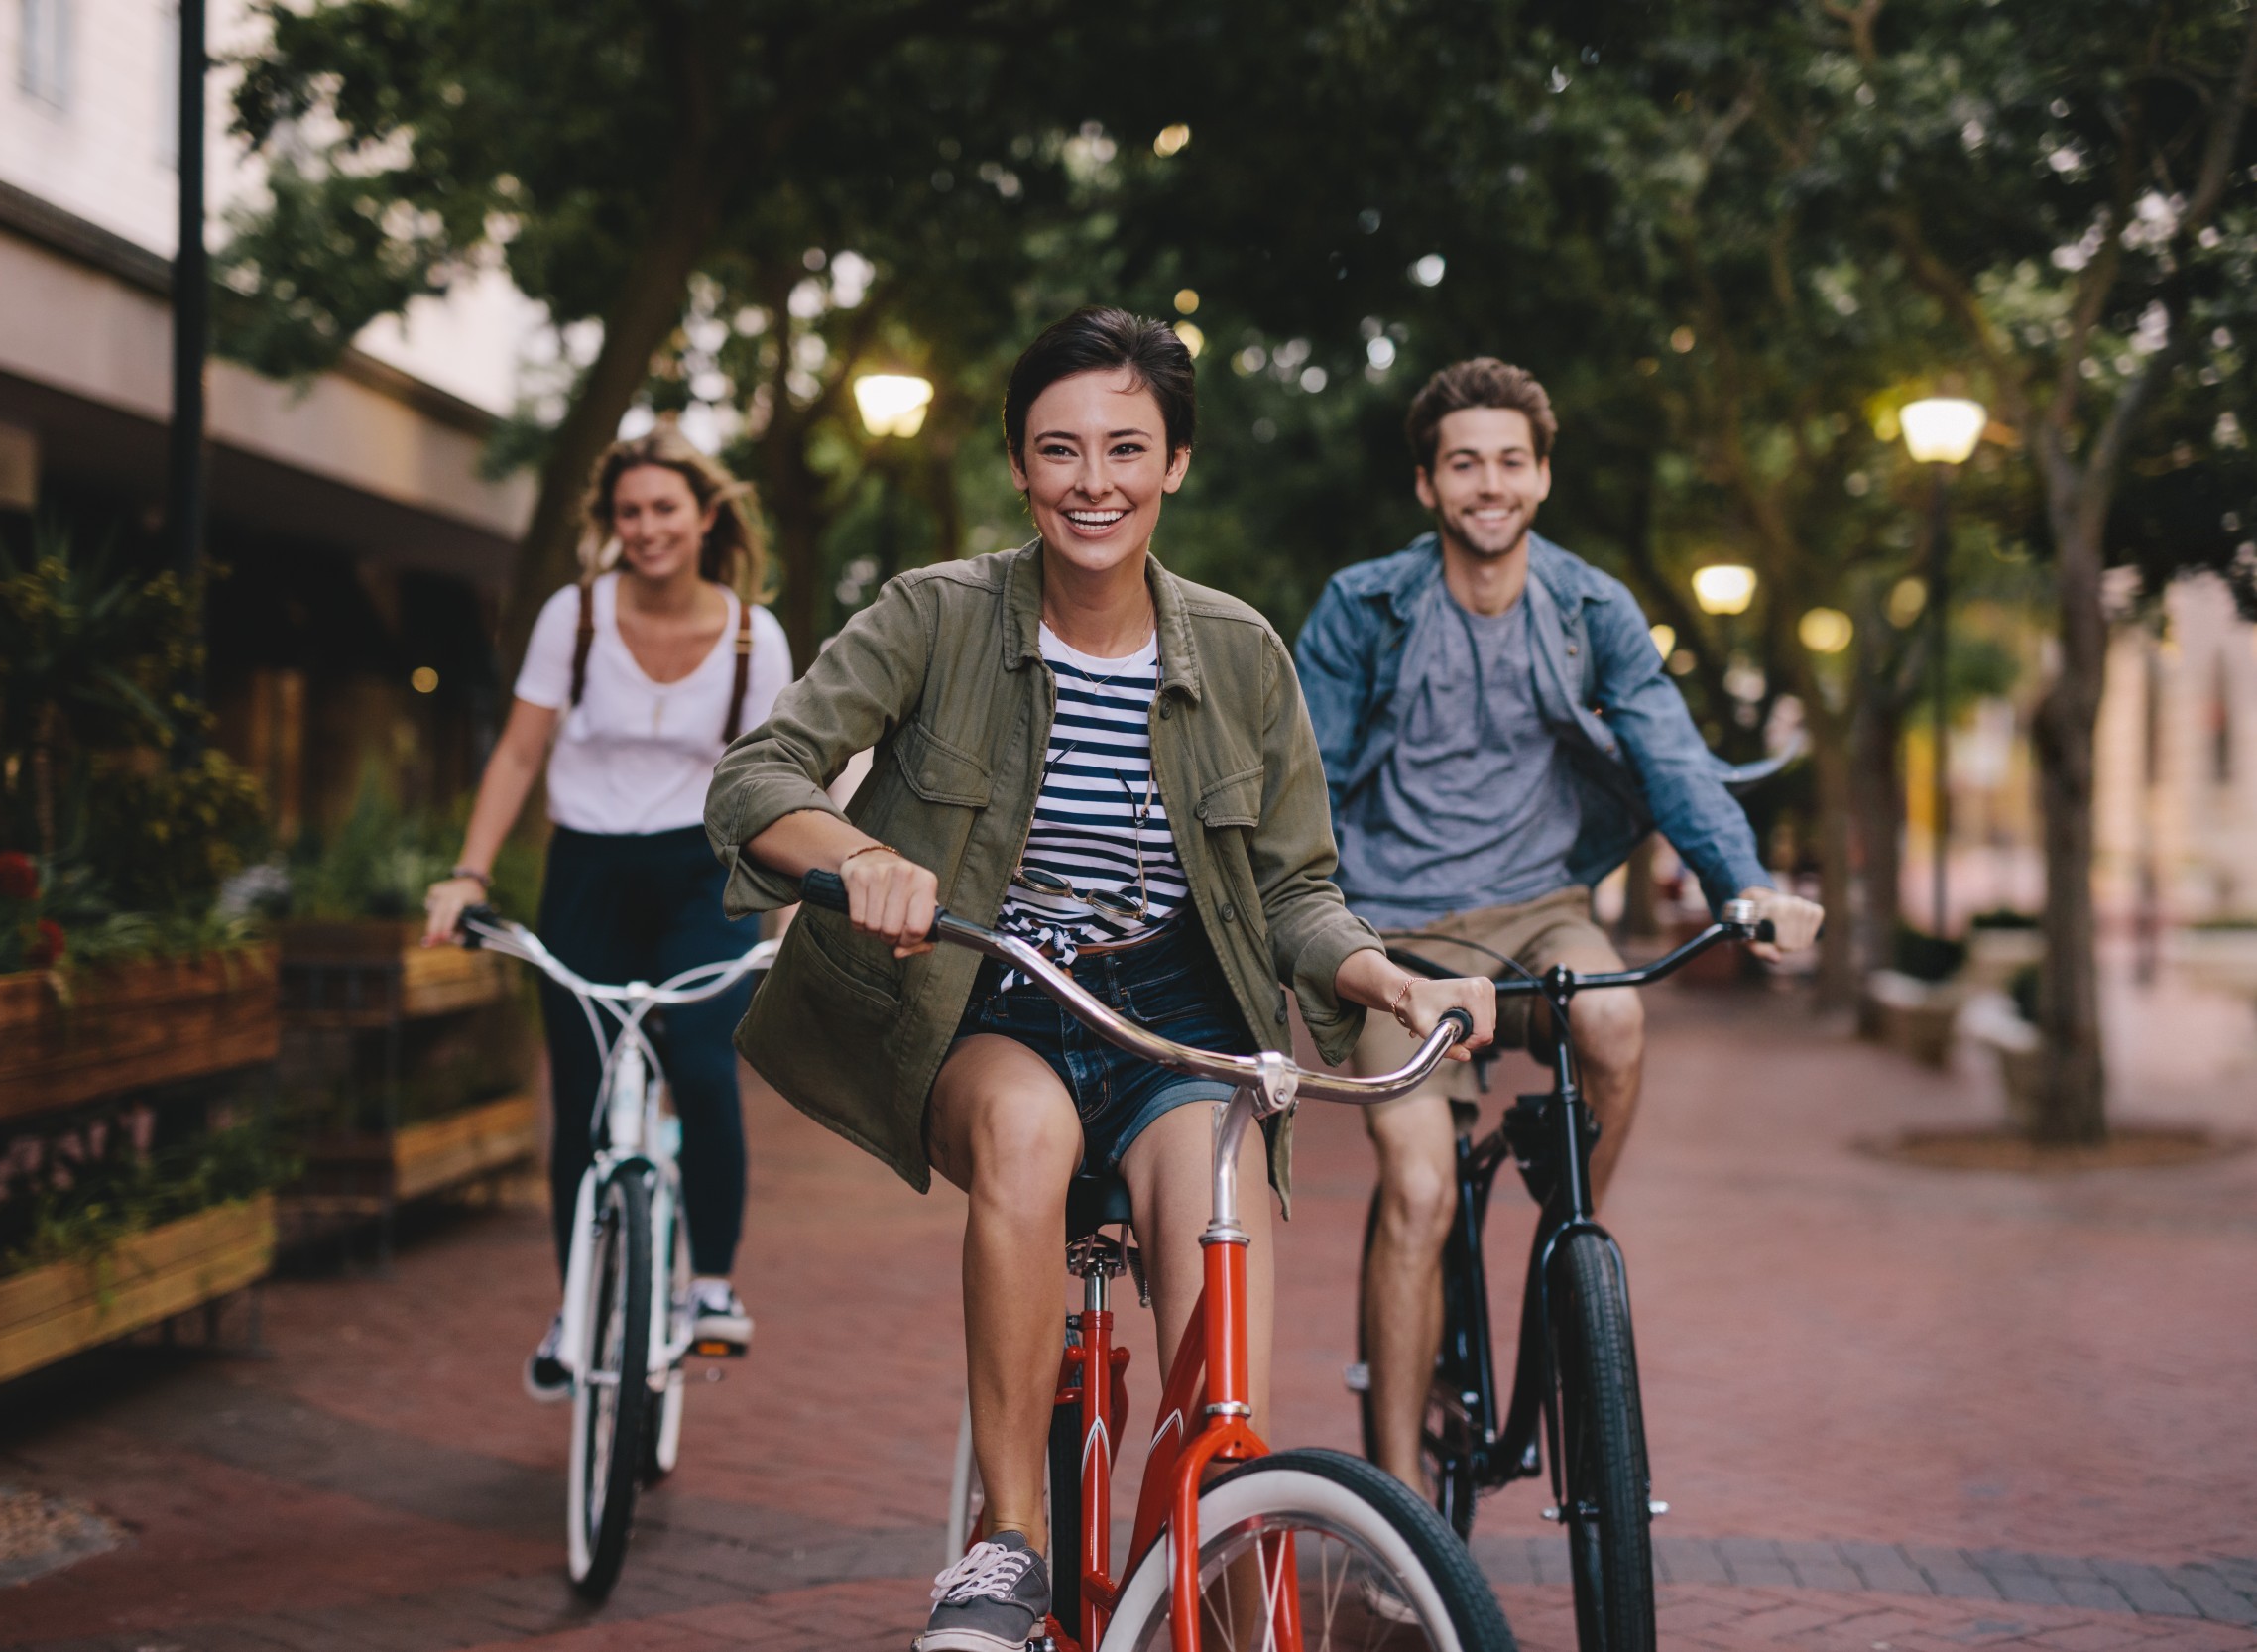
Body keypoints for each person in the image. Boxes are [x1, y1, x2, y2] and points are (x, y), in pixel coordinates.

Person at [705, 308, 1495, 1652]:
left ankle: (1221, 1551)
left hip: (1178, 1017)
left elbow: (1298, 888)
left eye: (1127, 447)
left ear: (1176, 462)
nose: (1094, 480)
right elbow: (754, 780)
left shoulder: (1242, 652)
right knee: (1029, 1129)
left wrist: (1387, 974)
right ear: (1019, 465)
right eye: (1060, 449)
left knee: (1211, 1291)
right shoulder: (936, 613)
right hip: (991, 997)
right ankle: (1006, 1544)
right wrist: (858, 856)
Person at [1293, 356, 1823, 1509]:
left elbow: (1672, 760)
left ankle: (1561, 1252)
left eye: (1511, 462)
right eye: (1464, 463)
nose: (1490, 484)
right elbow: (1308, 788)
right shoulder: (1362, 607)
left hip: (1540, 908)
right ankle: (1396, 1511)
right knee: (1421, 1191)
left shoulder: (1589, 610)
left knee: (1620, 1017)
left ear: (1542, 475)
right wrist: (1321, 933)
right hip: (1395, 931)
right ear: (1428, 486)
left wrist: (1747, 884)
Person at [423, 425, 792, 1395]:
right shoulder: (573, 617)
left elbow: (786, 780)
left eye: (664, 507)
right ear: (611, 522)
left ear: (704, 516)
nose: (646, 528)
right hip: (585, 871)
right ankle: (576, 1303)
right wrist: (468, 871)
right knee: (582, 1099)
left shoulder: (755, 633)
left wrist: (794, 910)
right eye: (628, 511)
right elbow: (516, 754)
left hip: (703, 872)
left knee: (704, 1063)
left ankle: (709, 1284)